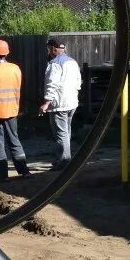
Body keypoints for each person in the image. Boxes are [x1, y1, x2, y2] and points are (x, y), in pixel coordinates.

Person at [0, 39, 31, 181]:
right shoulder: (16, 69)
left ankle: (2, 175)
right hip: (11, 110)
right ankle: (24, 171)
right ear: (7, 53)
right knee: (14, 139)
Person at [38, 36, 81, 169]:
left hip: (59, 104)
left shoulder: (55, 64)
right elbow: (79, 82)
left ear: (53, 49)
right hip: (72, 102)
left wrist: (46, 102)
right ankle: (65, 160)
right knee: (66, 132)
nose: (49, 52)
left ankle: (64, 162)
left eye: (49, 49)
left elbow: (52, 84)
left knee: (61, 134)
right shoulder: (72, 62)